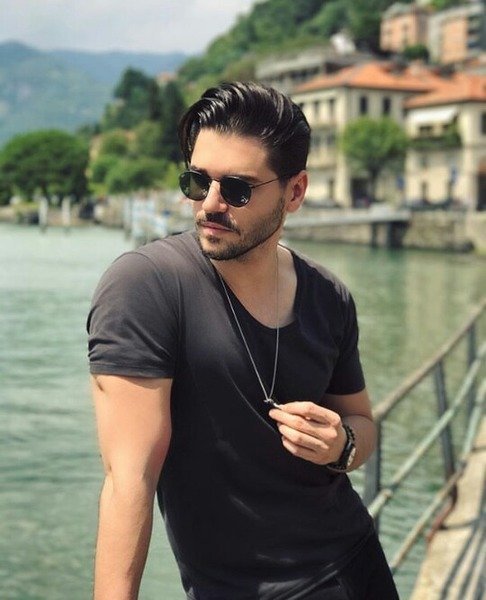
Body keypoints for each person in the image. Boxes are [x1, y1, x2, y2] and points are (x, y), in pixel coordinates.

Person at [87, 81, 399, 600]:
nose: (210, 204)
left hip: (357, 565)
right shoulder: (145, 287)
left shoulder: (328, 295)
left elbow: (363, 425)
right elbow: (129, 480)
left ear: (294, 192)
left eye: (237, 189)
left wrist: (340, 445)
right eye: (197, 181)